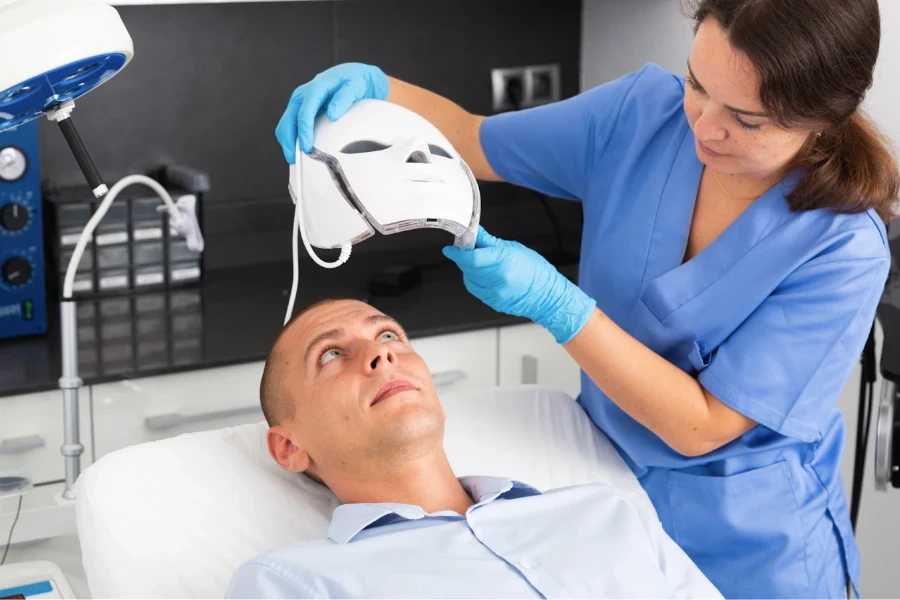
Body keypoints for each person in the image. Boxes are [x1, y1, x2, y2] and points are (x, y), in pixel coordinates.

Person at [273, 1, 900, 597]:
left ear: (823, 116)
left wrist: (557, 303)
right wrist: (376, 90)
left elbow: (701, 426)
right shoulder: (641, 115)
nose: (703, 125)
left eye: (747, 119)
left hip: (751, 549)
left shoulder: (842, 249)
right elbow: (470, 137)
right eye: (697, 83)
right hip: (602, 508)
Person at [225, 298, 722, 599]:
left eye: (389, 334)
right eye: (331, 354)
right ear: (289, 447)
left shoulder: (603, 511)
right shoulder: (292, 584)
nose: (382, 353)